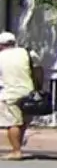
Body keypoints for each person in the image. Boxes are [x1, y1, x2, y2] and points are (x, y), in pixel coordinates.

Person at [0, 32, 36, 160]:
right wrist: (38, 88)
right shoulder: (26, 52)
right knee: (23, 122)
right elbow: (37, 69)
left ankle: (16, 151)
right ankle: (18, 147)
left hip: (9, 94)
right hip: (27, 92)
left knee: (13, 123)